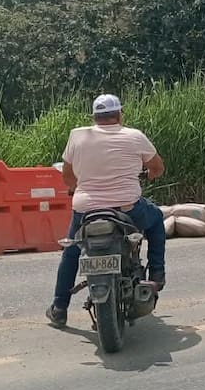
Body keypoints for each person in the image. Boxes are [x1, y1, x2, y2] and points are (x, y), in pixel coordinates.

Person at [46, 94, 167, 328]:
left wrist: (77, 188)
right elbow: (158, 167)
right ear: (120, 114)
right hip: (127, 209)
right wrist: (149, 174)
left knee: (71, 251)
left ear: (94, 117)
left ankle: (60, 307)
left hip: (86, 211)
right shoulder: (134, 136)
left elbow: (68, 176)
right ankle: (157, 276)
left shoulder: (77, 135)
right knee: (156, 219)